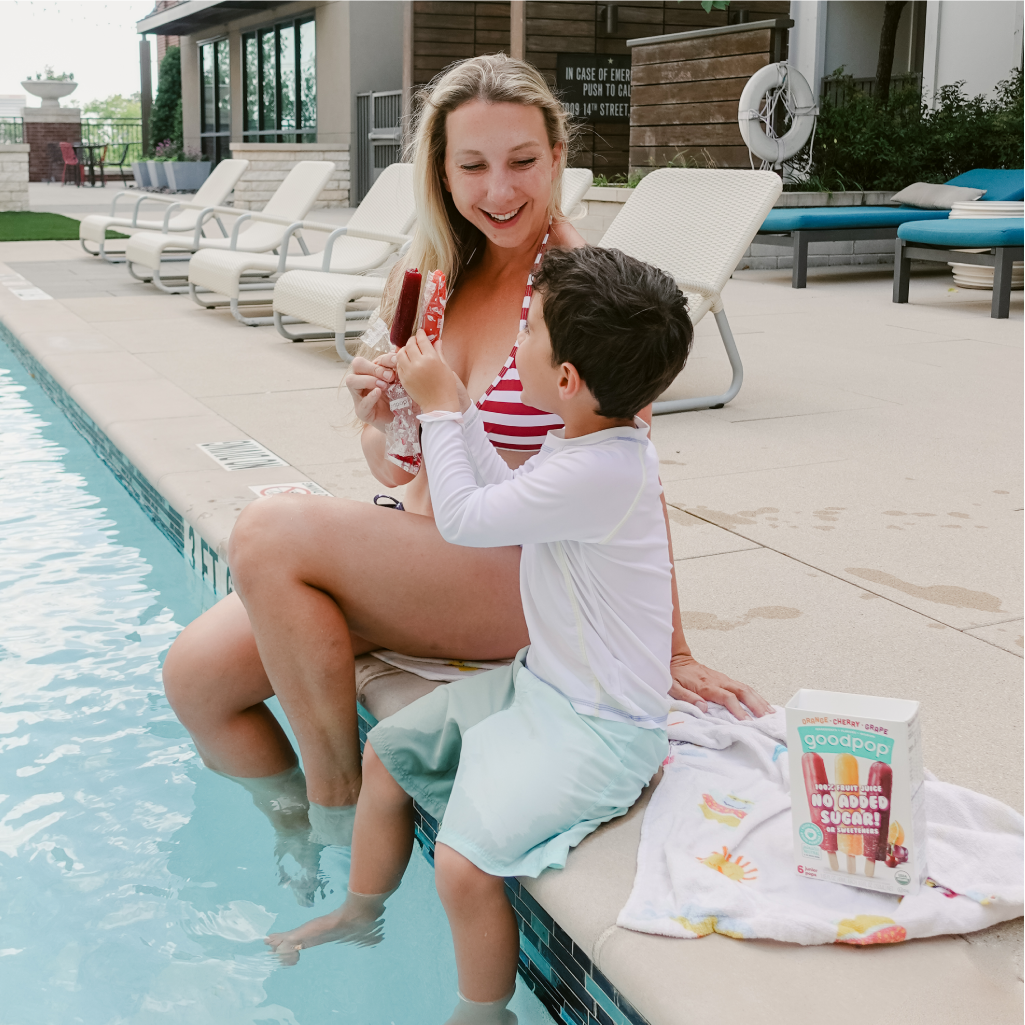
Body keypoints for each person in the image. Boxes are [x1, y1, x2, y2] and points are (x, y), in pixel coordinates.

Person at [162, 54, 770, 857]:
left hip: (517, 569)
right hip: (424, 551)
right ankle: (285, 823)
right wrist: (375, 415)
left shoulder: (581, 295)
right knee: (196, 680)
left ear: (557, 156)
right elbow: (396, 468)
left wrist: (673, 649)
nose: (500, 191)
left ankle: (335, 806)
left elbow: (630, 475)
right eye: (472, 166)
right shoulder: (430, 277)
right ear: (441, 172)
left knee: (269, 533)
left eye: (522, 162)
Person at [266, 246, 696, 1022]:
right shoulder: (586, 444)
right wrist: (456, 409)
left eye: (527, 329)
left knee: (463, 867)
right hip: (545, 686)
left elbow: (463, 520)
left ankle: (480, 1012)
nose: (515, 341)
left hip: (603, 731)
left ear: (565, 380)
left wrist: (436, 407)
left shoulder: (607, 470)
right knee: (389, 753)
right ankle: (363, 911)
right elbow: (502, 493)